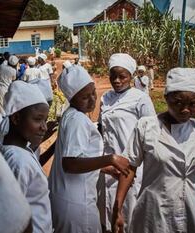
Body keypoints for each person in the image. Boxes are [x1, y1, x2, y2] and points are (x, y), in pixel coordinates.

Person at [113, 68, 195, 233]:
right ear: (166, 98)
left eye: (192, 104)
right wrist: (117, 208)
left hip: (189, 210)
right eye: (178, 102)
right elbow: (130, 167)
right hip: (153, 212)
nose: (185, 110)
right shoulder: (147, 126)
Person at [48, 65, 130, 233]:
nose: (92, 99)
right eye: (85, 97)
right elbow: (70, 164)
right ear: (72, 98)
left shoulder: (70, 115)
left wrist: (106, 169)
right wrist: (110, 159)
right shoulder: (77, 120)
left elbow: (82, 158)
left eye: (93, 93)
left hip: (65, 198)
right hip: (77, 203)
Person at [97, 54, 156, 233]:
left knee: (131, 213)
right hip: (108, 164)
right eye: (113, 76)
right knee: (107, 212)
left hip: (132, 166)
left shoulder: (140, 98)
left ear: (131, 76)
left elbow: (151, 133)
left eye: (122, 76)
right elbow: (101, 128)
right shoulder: (105, 98)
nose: (116, 80)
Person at [0, 80, 53, 233]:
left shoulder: (20, 150)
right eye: (37, 119)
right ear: (16, 119)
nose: (44, 127)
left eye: (45, 120)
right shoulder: (18, 161)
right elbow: (14, 216)